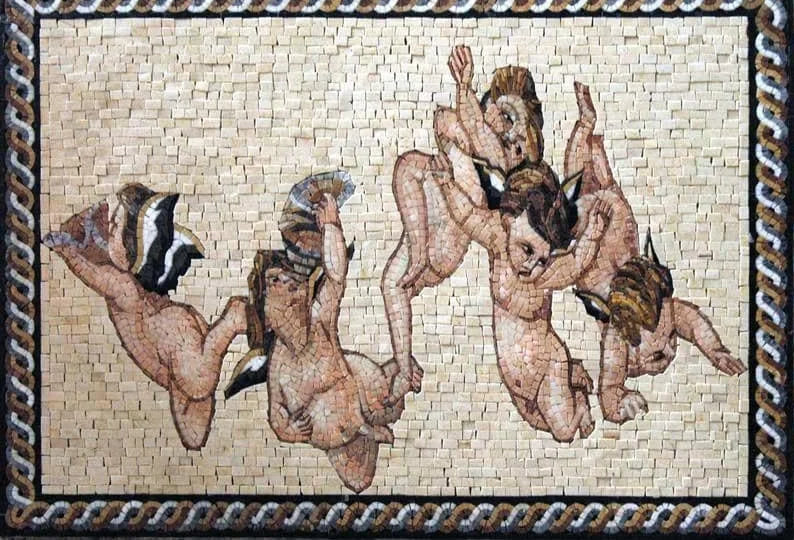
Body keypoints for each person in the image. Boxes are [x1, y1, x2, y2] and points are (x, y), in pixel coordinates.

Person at [564, 82, 747, 423]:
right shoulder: (652, 315)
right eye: (669, 343)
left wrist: (619, 403)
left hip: (596, 242)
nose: (671, 346)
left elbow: (609, 389)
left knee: (579, 190)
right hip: (619, 234)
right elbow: (690, 321)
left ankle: (586, 125)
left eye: (664, 347)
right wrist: (714, 350)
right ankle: (587, 126)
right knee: (599, 185)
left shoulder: (620, 336)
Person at [225, 174, 420, 492]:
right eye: (274, 283)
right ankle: (372, 423)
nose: (287, 287)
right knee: (359, 480)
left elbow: (336, 276)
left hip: (362, 399)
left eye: (292, 283)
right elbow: (276, 415)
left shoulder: (319, 321)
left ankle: (389, 396)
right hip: (344, 440)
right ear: (265, 317)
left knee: (389, 386)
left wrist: (331, 226)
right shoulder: (279, 365)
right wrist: (288, 431)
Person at [382, 45, 545, 404]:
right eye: (501, 114)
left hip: (449, 231)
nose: (506, 131)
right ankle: (404, 366)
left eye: (516, 135)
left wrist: (464, 91)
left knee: (447, 144)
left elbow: (473, 132)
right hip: (426, 218)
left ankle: (420, 254)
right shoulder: (471, 138)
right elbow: (455, 123)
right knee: (391, 284)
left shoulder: (500, 170)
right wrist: (464, 94)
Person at [43, 184, 247, 449]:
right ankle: (220, 335)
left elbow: (87, 270)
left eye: (114, 228)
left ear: (132, 247)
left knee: (198, 383)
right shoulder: (125, 279)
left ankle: (232, 320)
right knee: (193, 432)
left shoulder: (121, 285)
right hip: (174, 342)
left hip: (174, 336)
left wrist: (66, 249)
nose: (107, 229)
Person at [435, 162, 611, 441]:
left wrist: (594, 233)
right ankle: (573, 377)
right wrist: (446, 183)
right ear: (509, 221)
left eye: (542, 259)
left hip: (546, 367)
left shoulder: (545, 275)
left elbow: (577, 262)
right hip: (516, 378)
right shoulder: (497, 238)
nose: (531, 266)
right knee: (536, 421)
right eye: (526, 249)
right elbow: (466, 215)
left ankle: (579, 400)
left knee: (564, 432)